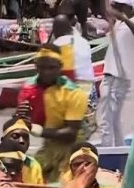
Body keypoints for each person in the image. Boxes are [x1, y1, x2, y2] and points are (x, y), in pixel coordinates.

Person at [16, 44, 89, 183]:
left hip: (73, 145)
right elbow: (19, 122)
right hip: (49, 144)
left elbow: (71, 133)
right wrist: (19, 119)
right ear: (36, 67)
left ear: (60, 67)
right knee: (29, 177)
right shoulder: (28, 89)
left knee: (63, 183)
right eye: (42, 67)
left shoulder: (73, 92)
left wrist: (40, 131)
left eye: (52, 68)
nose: (47, 72)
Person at [97, 0, 134, 147]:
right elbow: (106, 9)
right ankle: (119, 147)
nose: (115, 9)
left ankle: (107, 151)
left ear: (127, 8)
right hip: (113, 76)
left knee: (105, 120)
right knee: (113, 120)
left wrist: (124, 18)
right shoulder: (118, 24)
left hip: (116, 78)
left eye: (118, 6)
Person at [52, 14, 98, 142]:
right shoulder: (84, 42)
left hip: (71, 90)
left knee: (67, 132)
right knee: (84, 131)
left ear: (57, 30)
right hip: (90, 90)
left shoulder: (57, 44)